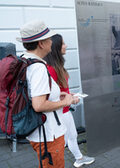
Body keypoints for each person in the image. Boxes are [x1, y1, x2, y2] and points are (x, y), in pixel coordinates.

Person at [16, 20, 76, 167]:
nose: (51, 41)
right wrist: (65, 102)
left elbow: (35, 96)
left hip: (40, 132)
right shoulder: (39, 68)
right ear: (41, 43)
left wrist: (57, 95)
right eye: (49, 38)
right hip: (49, 134)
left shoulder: (25, 61)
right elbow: (39, 104)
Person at [44, 34, 95, 168]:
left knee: (69, 136)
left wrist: (69, 94)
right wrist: (71, 99)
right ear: (56, 48)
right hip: (61, 111)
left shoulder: (56, 66)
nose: (66, 46)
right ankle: (79, 159)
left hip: (62, 110)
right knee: (71, 135)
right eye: (63, 44)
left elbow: (58, 90)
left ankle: (78, 158)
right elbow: (50, 95)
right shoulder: (52, 69)